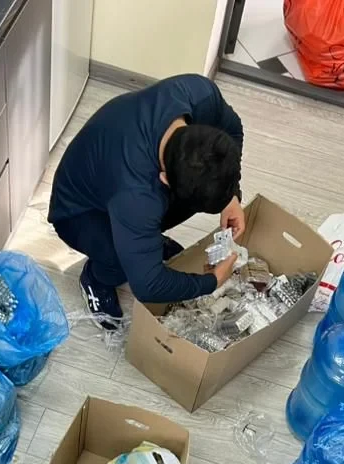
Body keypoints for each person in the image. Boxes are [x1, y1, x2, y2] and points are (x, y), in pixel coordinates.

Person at [49, 73, 245, 328]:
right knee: (119, 261)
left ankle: (140, 243)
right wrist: (212, 281)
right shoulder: (136, 196)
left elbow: (233, 130)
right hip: (77, 211)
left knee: (187, 201)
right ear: (164, 179)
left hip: (114, 181)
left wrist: (232, 195)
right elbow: (148, 285)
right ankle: (96, 279)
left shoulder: (199, 93)